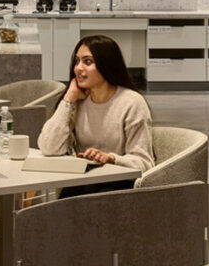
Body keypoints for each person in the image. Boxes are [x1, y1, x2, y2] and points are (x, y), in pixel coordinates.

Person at [38, 35, 155, 198]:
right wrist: (68, 99)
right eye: (77, 61)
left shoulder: (132, 103)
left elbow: (145, 164)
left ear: (106, 65)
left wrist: (110, 158)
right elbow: (49, 147)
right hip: (83, 182)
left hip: (120, 186)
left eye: (87, 62)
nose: (78, 68)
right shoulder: (78, 101)